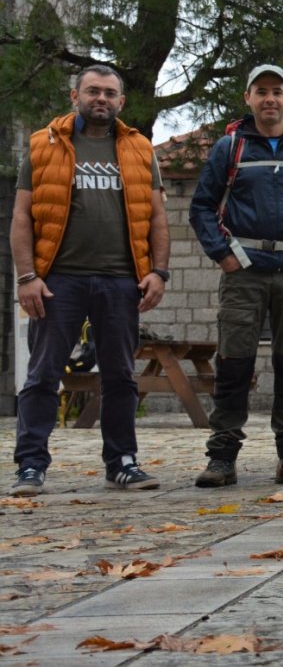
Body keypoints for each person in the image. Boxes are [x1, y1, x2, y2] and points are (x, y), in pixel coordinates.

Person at [10, 64, 170, 496]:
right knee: (43, 374)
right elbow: (22, 217)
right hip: (58, 279)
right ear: (74, 96)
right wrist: (27, 277)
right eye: (93, 91)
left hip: (122, 281)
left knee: (120, 375)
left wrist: (158, 271)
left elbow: (157, 217)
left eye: (110, 93)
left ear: (121, 101)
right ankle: (31, 465)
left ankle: (122, 461)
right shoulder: (44, 146)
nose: (101, 99)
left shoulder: (140, 149)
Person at [188, 64, 283, 488]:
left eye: (277, 91)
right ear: (248, 99)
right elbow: (201, 207)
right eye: (261, 91)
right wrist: (224, 256)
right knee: (234, 363)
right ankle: (222, 457)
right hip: (244, 273)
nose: (270, 99)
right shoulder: (229, 148)